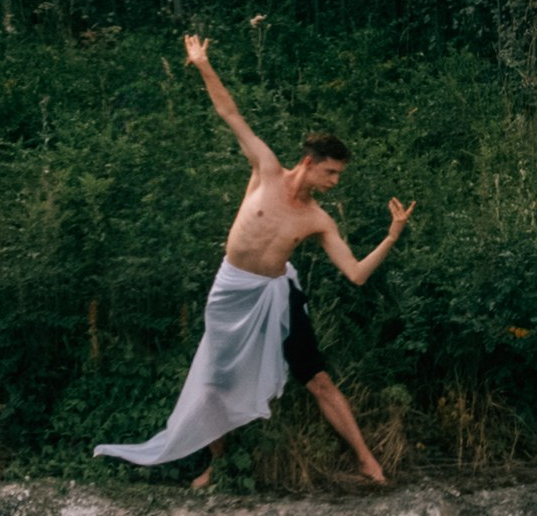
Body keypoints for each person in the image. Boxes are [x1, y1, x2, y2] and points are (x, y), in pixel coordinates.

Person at [95, 33, 414, 489]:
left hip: (278, 295)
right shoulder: (265, 169)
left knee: (317, 379)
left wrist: (392, 235)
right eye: (331, 172)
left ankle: (367, 461)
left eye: (339, 175)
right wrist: (202, 63)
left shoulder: (318, 219)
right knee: (214, 380)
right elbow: (230, 112)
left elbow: (357, 274)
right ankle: (216, 464)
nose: (335, 182)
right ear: (308, 162)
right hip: (232, 290)